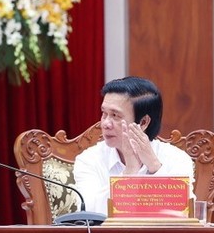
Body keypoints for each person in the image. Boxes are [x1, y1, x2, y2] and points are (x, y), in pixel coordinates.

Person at [73, 76, 194, 216]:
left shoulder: (177, 159)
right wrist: (129, 173)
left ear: (143, 122)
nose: (105, 123)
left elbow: (184, 214)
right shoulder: (89, 159)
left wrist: (154, 167)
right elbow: (88, 212)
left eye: (115, 115)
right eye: (104, 113)